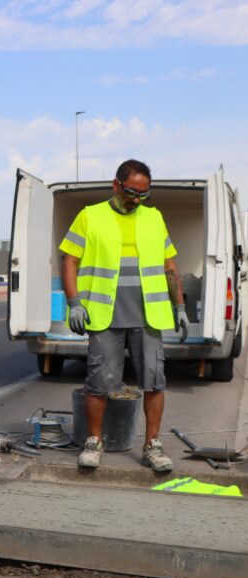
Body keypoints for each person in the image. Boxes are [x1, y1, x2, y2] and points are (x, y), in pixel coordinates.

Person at [60, 159, 189, 472]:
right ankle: (94, 442)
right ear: (115, 185)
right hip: (105, 315)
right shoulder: (90, 216)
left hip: (149, 316)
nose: (137, 200)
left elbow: (169, 267)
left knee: (155, 381)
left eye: (144, 195)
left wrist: (180, 306)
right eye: (132, 192)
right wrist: (75, 302)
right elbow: (69, 261)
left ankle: (152, 446)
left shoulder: (154, 218)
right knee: (98, 382)